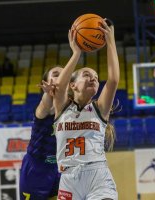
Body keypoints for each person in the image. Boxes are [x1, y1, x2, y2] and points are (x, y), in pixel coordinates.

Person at [52, 19, 119, 200]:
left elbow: (113, 80)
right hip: (68, 179)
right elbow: (59, 87)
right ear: (72, 85)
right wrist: (76, 53)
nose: (93, 79)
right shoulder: (62, 108)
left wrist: (110, 40)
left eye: (96, 77)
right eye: (87, 75)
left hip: (97, 174)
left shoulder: (99, 109)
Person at [19, 66, 63, 200]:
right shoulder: (45, 108)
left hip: (58, 168)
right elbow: (47, 105)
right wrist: (48, 93)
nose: (61, 77)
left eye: (64, 74)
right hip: (36, 168)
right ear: (45, 82)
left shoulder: (71, 108)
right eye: (56, 74)